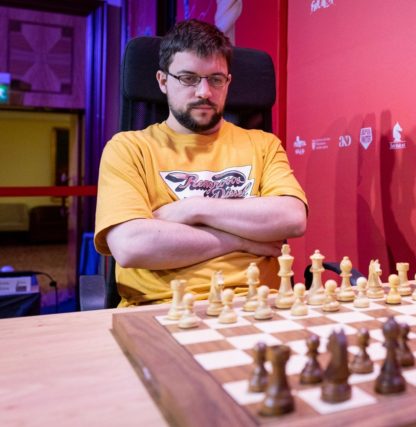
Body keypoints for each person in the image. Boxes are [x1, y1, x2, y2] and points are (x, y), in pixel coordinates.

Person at [94, 19, 307, 307]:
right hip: (163, 308)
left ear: (227, 83)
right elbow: (132, 246)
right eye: (188, 78)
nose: (204, 92)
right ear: (163, 81)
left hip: (261, 306)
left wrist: (192, 208)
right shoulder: (128, 148)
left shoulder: (262, 144)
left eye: (215, 79)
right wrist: (241, 240)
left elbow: (292, 218)